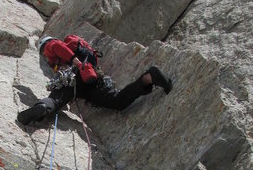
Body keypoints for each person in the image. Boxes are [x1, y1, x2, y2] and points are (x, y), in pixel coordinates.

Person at [17, 35, 172, 126]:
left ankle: (43, 107)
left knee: (56, 98)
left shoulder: (51, 45)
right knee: (118, 102)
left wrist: (75, 62)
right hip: (91, 80)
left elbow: (56, 46)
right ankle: (148, 78)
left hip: (74, 77)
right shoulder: (79, 48)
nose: (45, 56)